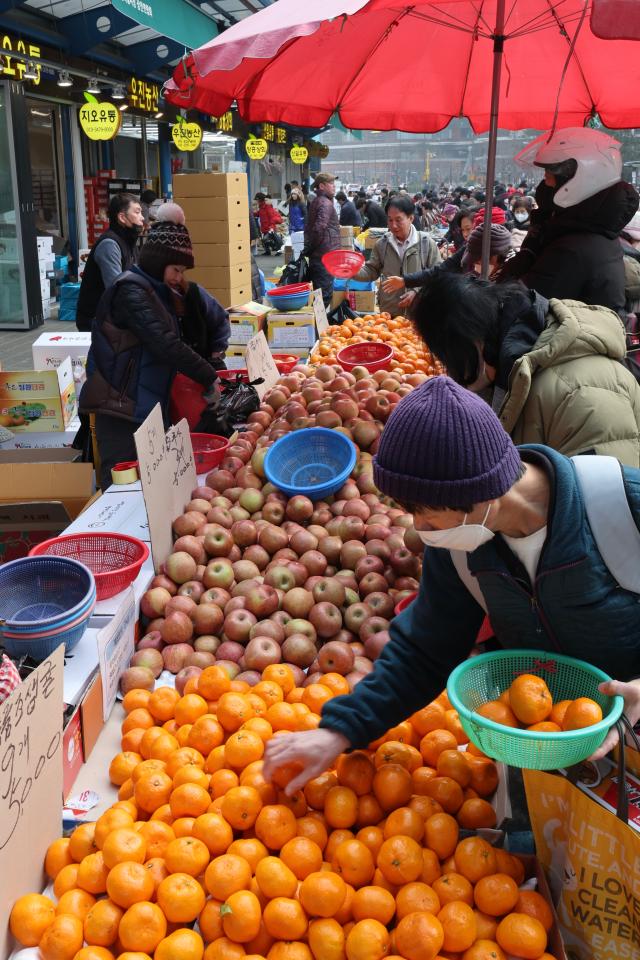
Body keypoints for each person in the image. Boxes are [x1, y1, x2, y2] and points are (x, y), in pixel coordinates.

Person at [263, 377, 640, 794]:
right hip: (546, 756)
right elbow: (425, 650)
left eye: (425, 514)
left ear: (480, 496)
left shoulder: (621, 504)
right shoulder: (462, 546)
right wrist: (339, 731)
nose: (419, 531)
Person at [411, 270, 640, 465]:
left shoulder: (579, 393)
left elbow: (605, 503)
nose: (452, 374)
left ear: (472, 342)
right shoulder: (509, 371)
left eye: (448, 360)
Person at [79, 216, 220, 490]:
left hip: (145, 405)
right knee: (121, 489)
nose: (180, 277)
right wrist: (207, 374)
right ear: (158, 263)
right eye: (176, 269)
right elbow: (164, 343)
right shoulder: (130, 291)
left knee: (150, 488)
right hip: (121, 408)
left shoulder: (157, 291)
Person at [501, 128, 640, 314]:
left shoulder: (572, 248)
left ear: (578, 181)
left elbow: (513, 306)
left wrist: (528, 252)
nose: (544, 187)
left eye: (549, 179)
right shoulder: (590, 231)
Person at [353, 196, 440, 317]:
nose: (393, 225)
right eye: (390, 220)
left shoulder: (426, 243)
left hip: (419, 314)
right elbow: (371, 270)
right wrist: (352, 271)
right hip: (390, 314)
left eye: (398, 220)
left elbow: (438, 275)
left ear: (411, 218)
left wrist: (416, 291)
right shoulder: (382, 244)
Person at [76, 193, 144, 332]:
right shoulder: (110, 244)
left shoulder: (129, 242)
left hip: (115, 315)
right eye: (137, 212)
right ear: (122, 217)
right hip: (97, 320)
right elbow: (116, 288)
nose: (142, 217)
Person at [303, 173, 340, 307]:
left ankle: (318, 325)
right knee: (324, 295)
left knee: (320, 293)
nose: (334, 187)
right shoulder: (325, 203)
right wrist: (312, 248)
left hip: (321, 254)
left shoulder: (319, 200)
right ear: (322, 186)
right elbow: (319, 228)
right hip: (325, 256)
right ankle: (318, 327)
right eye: (331, 184)